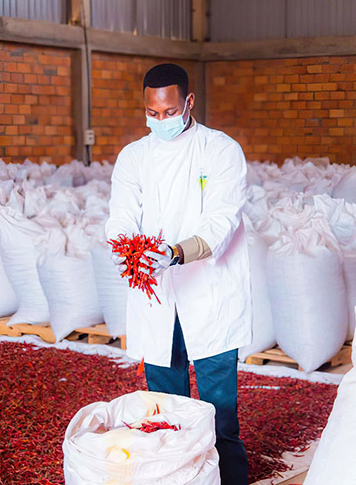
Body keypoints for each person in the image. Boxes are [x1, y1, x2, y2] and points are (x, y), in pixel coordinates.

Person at [105, 63, 252, 484]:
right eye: (152, 113)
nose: (161, 121)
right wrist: (122, 247)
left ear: (188, 102)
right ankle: (179, 477)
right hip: (156, 295)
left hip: (209, 294)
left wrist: (172, 252)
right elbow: (121, 214)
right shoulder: (134, 156)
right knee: (167, 410)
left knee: (218, 410)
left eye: (169, 112)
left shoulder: (220, 150)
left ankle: (229, 479)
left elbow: (220, 221)